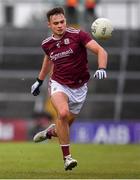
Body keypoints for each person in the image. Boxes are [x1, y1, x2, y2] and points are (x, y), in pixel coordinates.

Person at [31, 7, 107, 171]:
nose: (60, 25)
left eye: (62, 22)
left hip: (80, 88)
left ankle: (50, 132)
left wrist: (102, 67)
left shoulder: (78, 35)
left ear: (65, 21)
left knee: (61, 128)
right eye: (56, 23)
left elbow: (101, 51)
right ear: (49, 25)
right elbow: (48, 61)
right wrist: (39, 80)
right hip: (59, 84)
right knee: (63, 113)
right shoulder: (47, 44)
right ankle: (67, 158)